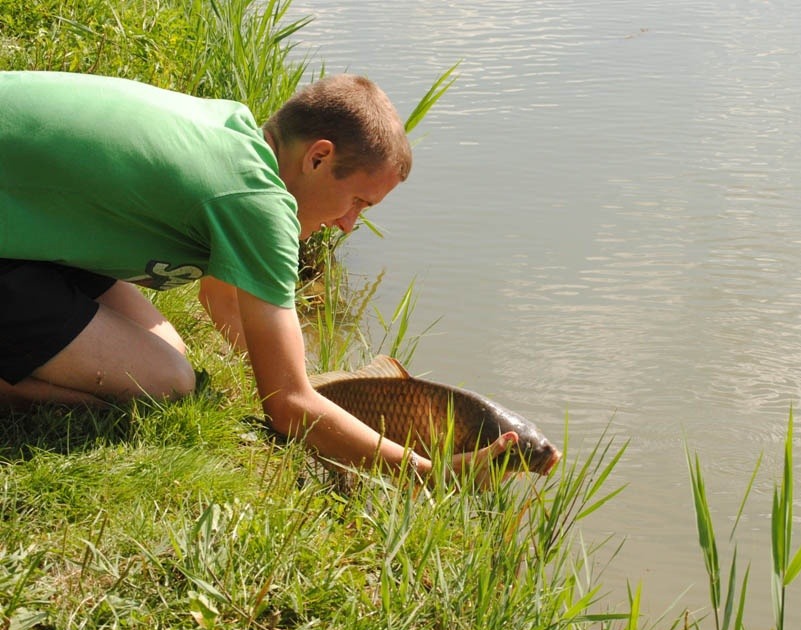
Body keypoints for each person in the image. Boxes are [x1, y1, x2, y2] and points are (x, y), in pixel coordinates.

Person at [0, 70, 515, 484]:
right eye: (357, 200)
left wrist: (301, 376)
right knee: (165, 385)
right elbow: (288, 407)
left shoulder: (233, 133)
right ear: (318, 156)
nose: (348, 224)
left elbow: (220, 296)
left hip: (24, 222)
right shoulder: (260, 203)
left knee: (170, 357)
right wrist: (427, 472)